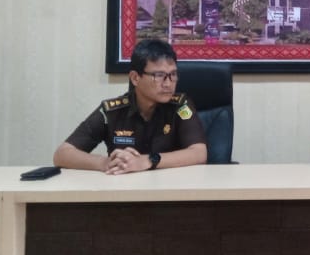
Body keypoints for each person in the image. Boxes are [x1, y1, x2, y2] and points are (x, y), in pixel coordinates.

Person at [53, 39, 207, 174]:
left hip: (170, 189)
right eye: (159, 76)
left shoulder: (180, 105)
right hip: (123, 190)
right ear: (135, 78)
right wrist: (105, 163)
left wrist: (149, 160)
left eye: (173, 74)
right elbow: (62, 154)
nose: (168, 83)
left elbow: (199, 153)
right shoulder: (112, 111)